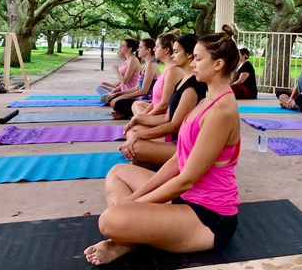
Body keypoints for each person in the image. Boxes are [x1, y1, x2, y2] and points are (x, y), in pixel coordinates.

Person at [84, 25, 241, 266]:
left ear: (218, 64)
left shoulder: (222, 110)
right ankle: (132, 232)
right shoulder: (208, 98)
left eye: (198, 59)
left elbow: (186, 179)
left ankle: (126, 238)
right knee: (117, 173)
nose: (194, 63)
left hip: (208, 216)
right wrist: (134, 201)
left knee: (109, 220)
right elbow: (179, 158)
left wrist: (135, 205)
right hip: (184, 198)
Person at [120, 34, 207, 167]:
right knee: (134, 131)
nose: (173, 55)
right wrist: (137, 119)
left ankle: (149, 158)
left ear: (190, 54)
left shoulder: (192, 87)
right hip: (172, 137)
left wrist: (139, 135)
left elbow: (174, 125)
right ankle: (147, 160)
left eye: (176, 52)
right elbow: (167, 118)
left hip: (181, 146)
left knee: (135, 145)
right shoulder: (183, 81)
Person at [129, 31, 182, 121]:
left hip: (162, 116)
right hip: (155, 111)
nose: (154, 49)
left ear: (166, 50)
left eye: (157, 46)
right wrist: (142, 116)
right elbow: (155, 101)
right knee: (136, 105)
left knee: (132, 131)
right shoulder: (167, 68)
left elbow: (164, 105)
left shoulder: (173, 71)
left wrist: (143, 118)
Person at [107, 39, 160, 119]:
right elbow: (137, 88)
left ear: (148, 50)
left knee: (118, 103)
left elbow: (144, 91)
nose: (138, 49)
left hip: (146, 102)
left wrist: (122, 97)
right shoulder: (146, 64)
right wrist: (119, 94)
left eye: (140, 47)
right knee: (116, 101)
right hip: (139, 99)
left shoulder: (151, 65)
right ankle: (125, 113)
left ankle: (127, 113)